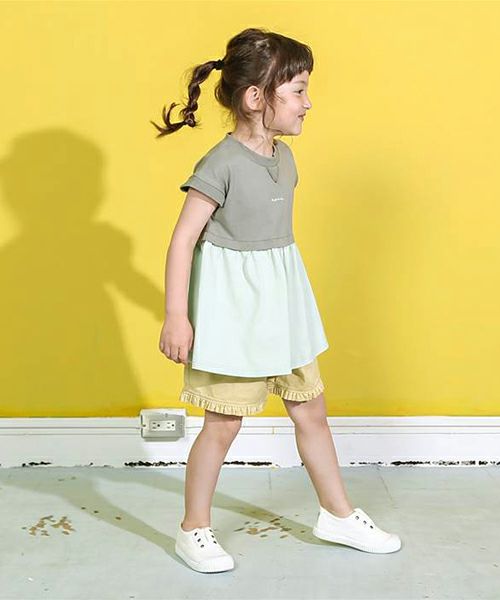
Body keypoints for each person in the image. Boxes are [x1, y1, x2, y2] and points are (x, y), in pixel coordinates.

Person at [153, 27, 402, 574]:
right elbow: (183, 240)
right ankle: (193, 528)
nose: (308, 103)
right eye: (298, 91)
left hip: (283, 307)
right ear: (255, 98)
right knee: (223, 424)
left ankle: (337, 514)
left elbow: (273, 245)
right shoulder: (219, 164)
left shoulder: (284, 159)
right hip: (234, 314)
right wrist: (176, 315)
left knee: (311, 409)